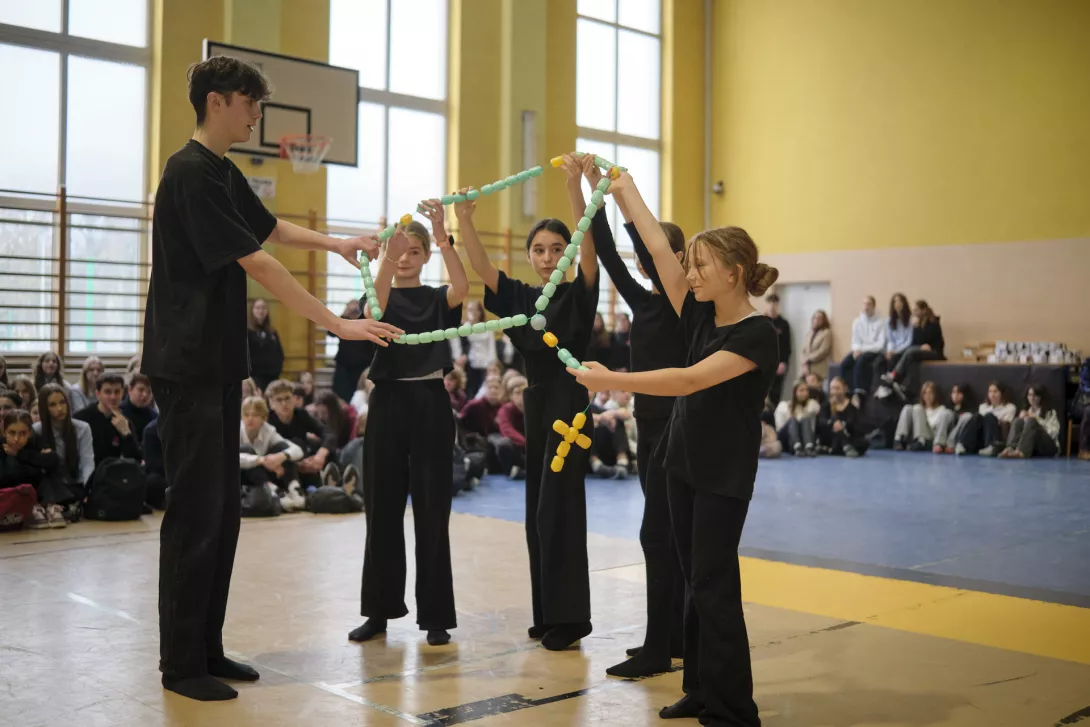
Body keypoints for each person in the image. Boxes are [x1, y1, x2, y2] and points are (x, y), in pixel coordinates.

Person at [139, 56, 401, 702]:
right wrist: (337, 326)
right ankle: (180, 662)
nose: (257, 114)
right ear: (221, 100)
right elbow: (261, 263)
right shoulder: (188, 173)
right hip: (188, 365)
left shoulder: (223, 173)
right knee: (196, 513)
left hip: (219, 365)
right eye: (252, 102)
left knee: (224, 512)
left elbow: (272, 229)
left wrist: (338, 244)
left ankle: (207, 644)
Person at [571, 170, 776, 726]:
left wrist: (612, 378)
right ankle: (700, 689)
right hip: (680, 465)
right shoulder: (700, 314)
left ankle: (734, 709)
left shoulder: (757, 335)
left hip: (721, 477)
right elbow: (658, 247)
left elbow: (687, 382)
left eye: (702, 265)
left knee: (714, 587)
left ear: (733, 273)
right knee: (693, 582)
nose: (690, 272)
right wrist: (621, 186)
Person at [460, 154, 600, 652]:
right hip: (538, 405)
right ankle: (547, 613)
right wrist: (464, 221)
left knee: (561, 513)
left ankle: (570, 620)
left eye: (555, 248)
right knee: (538, 515)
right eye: (539, 249)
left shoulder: (579, 295)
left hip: (570, 409)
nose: (547, 256)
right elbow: (480, 268)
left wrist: (574, 187)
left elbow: (589, 251)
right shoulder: (523, 299)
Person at [349, 203, 468, 648]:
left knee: (433, 509)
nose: (405, 258)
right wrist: (385, 254)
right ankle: (378, 612)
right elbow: (372, 310)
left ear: (424, 256)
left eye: (414, 251)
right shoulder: (378, 293)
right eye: (400, 251)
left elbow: (462, 286)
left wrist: (442, 236)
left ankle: (436, 616)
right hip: (389, 403)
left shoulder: (438, 298)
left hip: (431, 403)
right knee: (381, 507)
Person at [588, 183, 687, 675]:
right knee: (663, 534)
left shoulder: (684, 304)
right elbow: (607, 255)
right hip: (648, 427)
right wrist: (595, 196)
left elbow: (652, 250)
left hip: (675, 428)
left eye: (653, 254)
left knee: (658, 535)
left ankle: (658, 648)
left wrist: (629, 205)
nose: (645, 263)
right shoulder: (644, 302)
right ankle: (673, 637)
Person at [32, 383, 94, 522]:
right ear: (45, 408)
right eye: (52, 405)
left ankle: (56, 506)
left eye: (62, 402)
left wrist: (87, 489)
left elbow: (88, 462)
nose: (60, 408)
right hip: (49, 484)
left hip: (74, 484)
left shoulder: (82, 428)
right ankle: (59, 506)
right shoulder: (36, 430)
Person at [266, 379, 337, 492]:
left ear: (293, 399)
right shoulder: (267, 421)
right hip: (280, 467)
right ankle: (317, 488)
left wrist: (320, 455)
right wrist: (298, 465)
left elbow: (328, 433)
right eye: (279, 400)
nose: (284, 404)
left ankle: (332, 485)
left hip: (305, 461)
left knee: (328, 449)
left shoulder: (301, 414)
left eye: (287, 398)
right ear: (271, 404)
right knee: (296, 442)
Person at [239, 395, 305, 511]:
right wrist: (262, 460)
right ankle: (275, 492)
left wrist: (280, 457)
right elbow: (228, 458)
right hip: (242, 477)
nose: (250, 419)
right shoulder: (236, 430)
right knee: (246, 450)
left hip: (265, 474)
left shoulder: (268, 430)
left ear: (264, 418)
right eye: (246, 415)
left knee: (282, 448)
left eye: (255, 415)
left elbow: (297, 450)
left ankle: (295, 490)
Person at [74, 373, 143, 470]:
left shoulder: (125, 421)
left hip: (114, 475)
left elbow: (136, 458)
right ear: (98, 394)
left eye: (117, 392)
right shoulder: (81, 418)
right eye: (107, 392)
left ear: (122, 393)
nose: (113, 397)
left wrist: (126, 433)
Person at [877, 299, 944, 400]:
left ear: (924, 310)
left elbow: (930, 339)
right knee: (912, 360)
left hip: (934, 351)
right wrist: (915, 328)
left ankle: (894, 374)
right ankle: (906, 388)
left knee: (911, 351)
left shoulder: (933, 321)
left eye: (916, 310)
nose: (914, 313)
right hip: (920, 351)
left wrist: (927, 343)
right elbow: (915, 341)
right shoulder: (916, 323)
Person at [328, 300, 377, 404]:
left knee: (362, 396)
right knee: (341, 397)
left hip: (363, 367)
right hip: (344, 367)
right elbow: (330, 333)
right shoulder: (343, 322)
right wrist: (345, 313)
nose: (355, 312)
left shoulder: (367, 322)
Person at [839, 296, 886, 401]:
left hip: (873, 351)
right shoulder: (857, 322)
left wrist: (862, 350)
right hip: (859, 350)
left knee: (860, 361)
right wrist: (856, 349)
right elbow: (855, 340)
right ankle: (847, 390)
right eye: (864, 304)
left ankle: (859, 391)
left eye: (869, 304)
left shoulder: (880, 322)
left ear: (874, 306)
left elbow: (880, 344)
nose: (866, 307)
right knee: (844, 364)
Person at [449, 300, 497, 397]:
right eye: (469, 310)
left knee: (482, 391)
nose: (472, 313)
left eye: (474, 310)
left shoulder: (487, 328)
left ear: (480, 312)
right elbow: (461, 345)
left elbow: (491, 348)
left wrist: (492, 364)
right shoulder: (464, 327)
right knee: (468, 390)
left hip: (485, 363)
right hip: (470, 364)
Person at [999, 385, 1060, 459]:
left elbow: (1054, 432)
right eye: (1030, 395)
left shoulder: (1050, 412)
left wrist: (1038, 419)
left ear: (1041, 397)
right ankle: (1010, 448)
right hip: (1033, 448)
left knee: (1031, 421)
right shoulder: (1027, 410)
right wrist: (1022, 419)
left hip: (1048, 446)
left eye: (1035, 395)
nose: (1032, 398)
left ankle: (1021, 452)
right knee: (1017, 420)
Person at [956, 382, 1017, 456]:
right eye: (990, 391)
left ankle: (991, 446)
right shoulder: (983, 407)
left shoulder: (1009, 407)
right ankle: (963, 444)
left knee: (989, 416)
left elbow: (1007, 422)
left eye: (995, 392)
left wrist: (993, 419)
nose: (992, 395)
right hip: (981, 437)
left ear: (1002, 393)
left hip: (997, 436)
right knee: (977, 417)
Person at [892, 381, 953, 452]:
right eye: (925, 393)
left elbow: (936, 427)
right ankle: (899, 439)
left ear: (935, 395)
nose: (927, 396)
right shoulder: (919, 409)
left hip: (930, 437)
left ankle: (921, 441)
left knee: (917, 408)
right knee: (907, 408)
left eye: (930, 393)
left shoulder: (941, 409)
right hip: (915, 437)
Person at [817, 376, 867, 457]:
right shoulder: (826, 405)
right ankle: (845, 446)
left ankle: (834, 449)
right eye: (832, 388)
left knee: (864, 443)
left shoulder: (852, 405)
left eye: (837, 388)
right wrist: (832, 423)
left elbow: (853, 423)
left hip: (848, 434)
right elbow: (821, 421)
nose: (835, 391)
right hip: (831, 435)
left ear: (845, 388)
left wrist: (843, 425)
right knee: (834, 420)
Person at [490, 375, 528, 479]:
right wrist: (527, 443)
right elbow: (507, 430)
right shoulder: (505, 410)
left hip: (528, 449)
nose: (521, 396)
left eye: (524, 391)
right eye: (517, 393)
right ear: (510, 396)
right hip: (517, 448)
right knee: (503, 444)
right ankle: (512, 471)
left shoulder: (533, 409)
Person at [246, 298, 285, 393]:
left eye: (263, 308)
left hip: (272, 378)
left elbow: (280, 354)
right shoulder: (247, 332)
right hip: (254, 378)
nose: (261, 311)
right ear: (252, 310)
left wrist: (276, 371)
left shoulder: (272, 333)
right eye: (258, 308)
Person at [774, 380, 820, 456]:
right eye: (801, 390)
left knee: (804, 419)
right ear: (795, 392)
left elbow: (816, 409)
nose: (805, 393)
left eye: (806, 390)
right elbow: (779, 428)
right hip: (787, 438)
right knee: (793, 419)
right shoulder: (785, 406)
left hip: (803, 438)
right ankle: (797, 446)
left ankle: (809, 446)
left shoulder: (812, 404)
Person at [874, 293, 911, 381]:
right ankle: (880, 386)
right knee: (878, 362)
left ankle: (891, 385)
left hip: (904, 350)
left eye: (899, 301)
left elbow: (909, 341)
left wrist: (895, 352)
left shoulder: (910, 320)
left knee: (892, 361)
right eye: (895, 302)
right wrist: (890, 351)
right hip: (892, 350)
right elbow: (890, 340)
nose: (897, 304)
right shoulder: (889, 321)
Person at [764, 294, 791, 405]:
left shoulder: (783, 324)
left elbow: (787, 346)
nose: (772, 306)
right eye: (770, 303)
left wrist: (783, 362)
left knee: (776, 393)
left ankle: (774, 418)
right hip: (764, 363)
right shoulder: (761, 321)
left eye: (774, 303)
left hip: (778, 363)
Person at [120, 372, 159, 441]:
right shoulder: (119, 412)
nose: (145, 395)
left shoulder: (154, 417)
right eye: (140, 390)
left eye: (149, 392)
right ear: (130, 390)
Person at [800, 309, 832, 380]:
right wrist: (803, 362)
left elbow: (823, 351)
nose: (817, 320)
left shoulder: (826, 333)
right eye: (815, 317)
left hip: (819, 369)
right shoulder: (809, 334)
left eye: (819, 318)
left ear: (824, 320)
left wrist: (808, 359)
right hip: (807, 370)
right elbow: (803, 351)